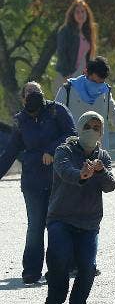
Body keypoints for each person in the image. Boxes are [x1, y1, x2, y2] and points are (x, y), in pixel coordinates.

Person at [40, 111, 115, 304]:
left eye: (97, 128)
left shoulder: (103, 157)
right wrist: (81, 174)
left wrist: (100, 172)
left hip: (89, 223)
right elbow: (64, 171)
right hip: (61, 218)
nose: (92, 131)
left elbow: (110, 186)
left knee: (88, 268)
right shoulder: (64, 150)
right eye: (88, 127)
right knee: (59, 262)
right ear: (80, 128)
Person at [0, 82, 75, 285]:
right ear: (23, 98)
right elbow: (10, 152)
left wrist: (52, 149)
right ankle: (31, 271)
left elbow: (72, 133)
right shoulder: (20, 120)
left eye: (38, 92)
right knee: (35, 226)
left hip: (58, 178)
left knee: (58, 225)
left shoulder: (56, 110)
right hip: (32, 182)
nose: (34, 96)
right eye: (30, 93)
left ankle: (62, 267)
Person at [55, 57, 115, 148]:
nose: (96, 86)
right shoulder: (68, 90)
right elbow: (55, 116)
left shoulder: (104, 91)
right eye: (93, 81)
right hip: (73, 148)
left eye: (100, 83)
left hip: (99, 149)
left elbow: (114, 112)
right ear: (86, 72)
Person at [54, 0, 98, 95]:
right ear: (72, 14)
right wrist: (66, 75)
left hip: (81, 75)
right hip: (66, 74)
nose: (80, 15)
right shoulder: (65, 30)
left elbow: (88, 57)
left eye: (83, 12)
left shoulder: (88, 32)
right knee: (63, 106)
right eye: (77, 12)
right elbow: (62, 53)